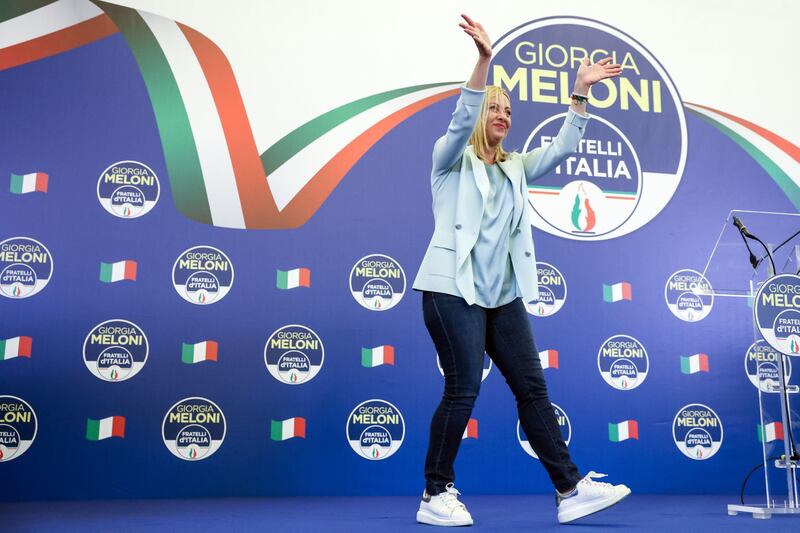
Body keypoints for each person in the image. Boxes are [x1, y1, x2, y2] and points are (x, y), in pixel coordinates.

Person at [412, 15, 630, 526]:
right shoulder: (447, 162)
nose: (504, 115)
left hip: (501, 295)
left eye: (509, 110)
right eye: (496, 107)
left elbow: (563, 148)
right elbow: (460, 121)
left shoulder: (514, 167)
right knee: (463, 386)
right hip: (451, 291)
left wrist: (579, 95)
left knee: (533, 390)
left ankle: (570, 489)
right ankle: (435, 493)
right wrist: (485, 63)